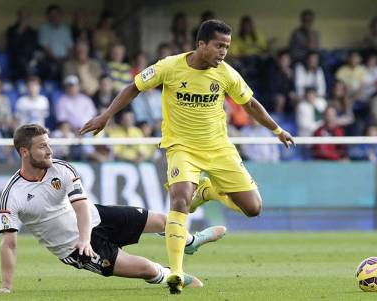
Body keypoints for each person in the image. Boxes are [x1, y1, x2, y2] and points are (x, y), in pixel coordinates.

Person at [80, 19, 294, 294]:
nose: (223, 52)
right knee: (179, 199)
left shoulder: (226, 74)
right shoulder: (169, 67)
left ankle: (207, 192)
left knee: (253, 208)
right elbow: (134, 86)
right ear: (201, 44)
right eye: (218, 45)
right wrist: (106, 116)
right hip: (182, 148)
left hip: (219, 149)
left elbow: (249, 103)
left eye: (226, 47)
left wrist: (277, 130)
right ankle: (176, 273)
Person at [0, 124, 226, 294]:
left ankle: (190, 241)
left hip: (96, 218)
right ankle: (172, 276)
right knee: (146, 268)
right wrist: (6, 286)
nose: (50, 151)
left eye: (49, 144)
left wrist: (85, 237)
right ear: (24, 152)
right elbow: (9, 244)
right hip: (74, 249)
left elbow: (81, 207)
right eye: (42, 147)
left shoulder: (61, 169)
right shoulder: (13, 195)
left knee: (164, 221)